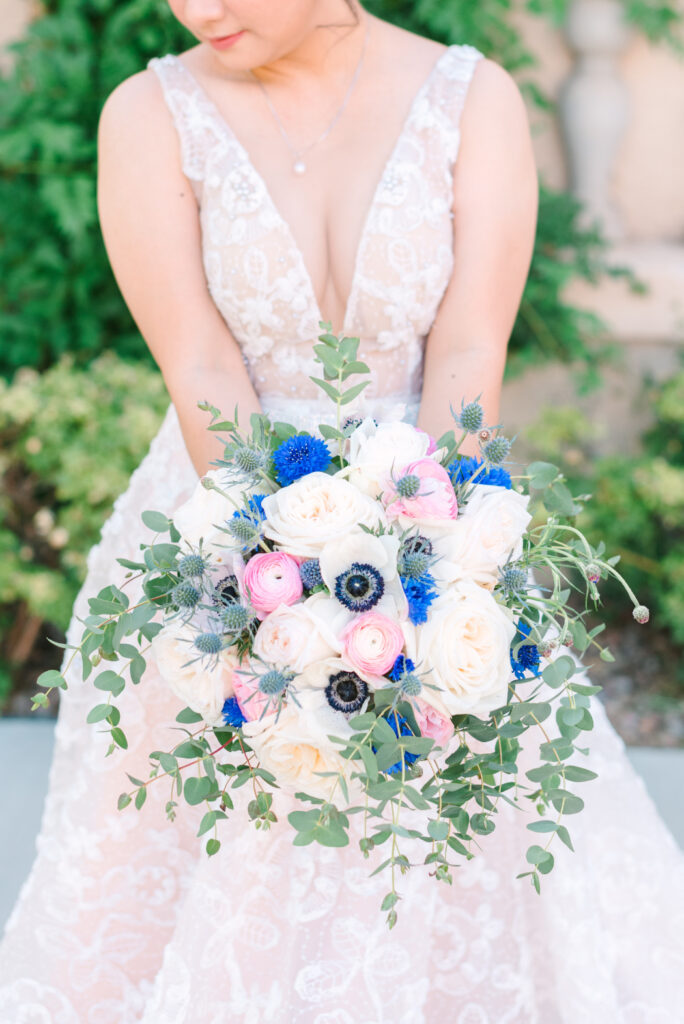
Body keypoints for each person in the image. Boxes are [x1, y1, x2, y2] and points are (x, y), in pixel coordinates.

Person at [1, 1, 682, 1021]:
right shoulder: (150, 115)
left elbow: (466, 355)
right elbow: (200, 365)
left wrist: (431, 568)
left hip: (435, 524)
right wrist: (273, 579)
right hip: (219, 527)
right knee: (228, 851)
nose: (200, 7)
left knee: (446, 839)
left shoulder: (474, 101)